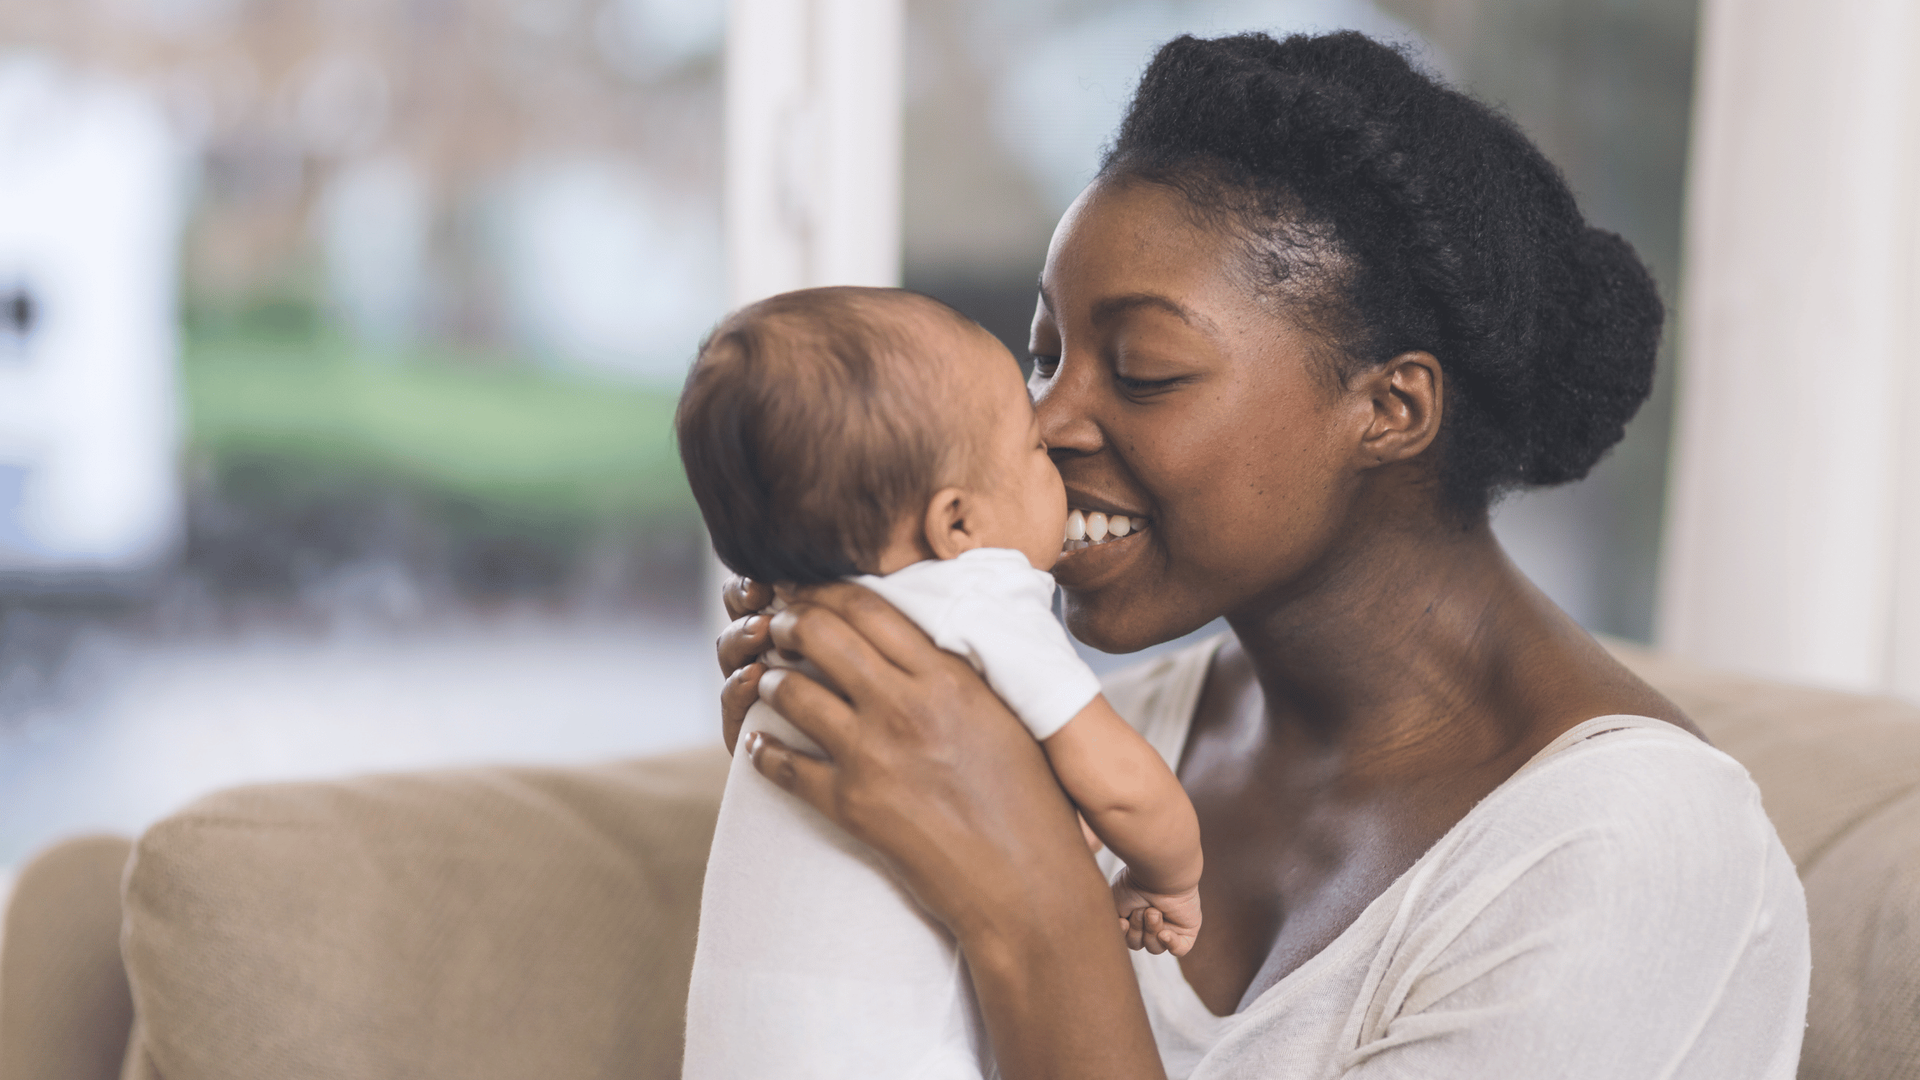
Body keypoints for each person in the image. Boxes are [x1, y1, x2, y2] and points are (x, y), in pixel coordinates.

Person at [711, 30, 1811, 1080]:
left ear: (1390, 407)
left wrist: (1038, 911)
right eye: (1043, 359)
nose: (1044, 426)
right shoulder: (1121, 733)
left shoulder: (1627, 852)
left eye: (1142, 371)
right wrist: (819, 756)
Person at [676, 287, 1205, 1079]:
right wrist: (1171, 876)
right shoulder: (973, 594)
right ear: (956, 525)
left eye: (1141, 371)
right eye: (1031, 443)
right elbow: (1126, 787)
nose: (1054, 440)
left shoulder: (802, 627)